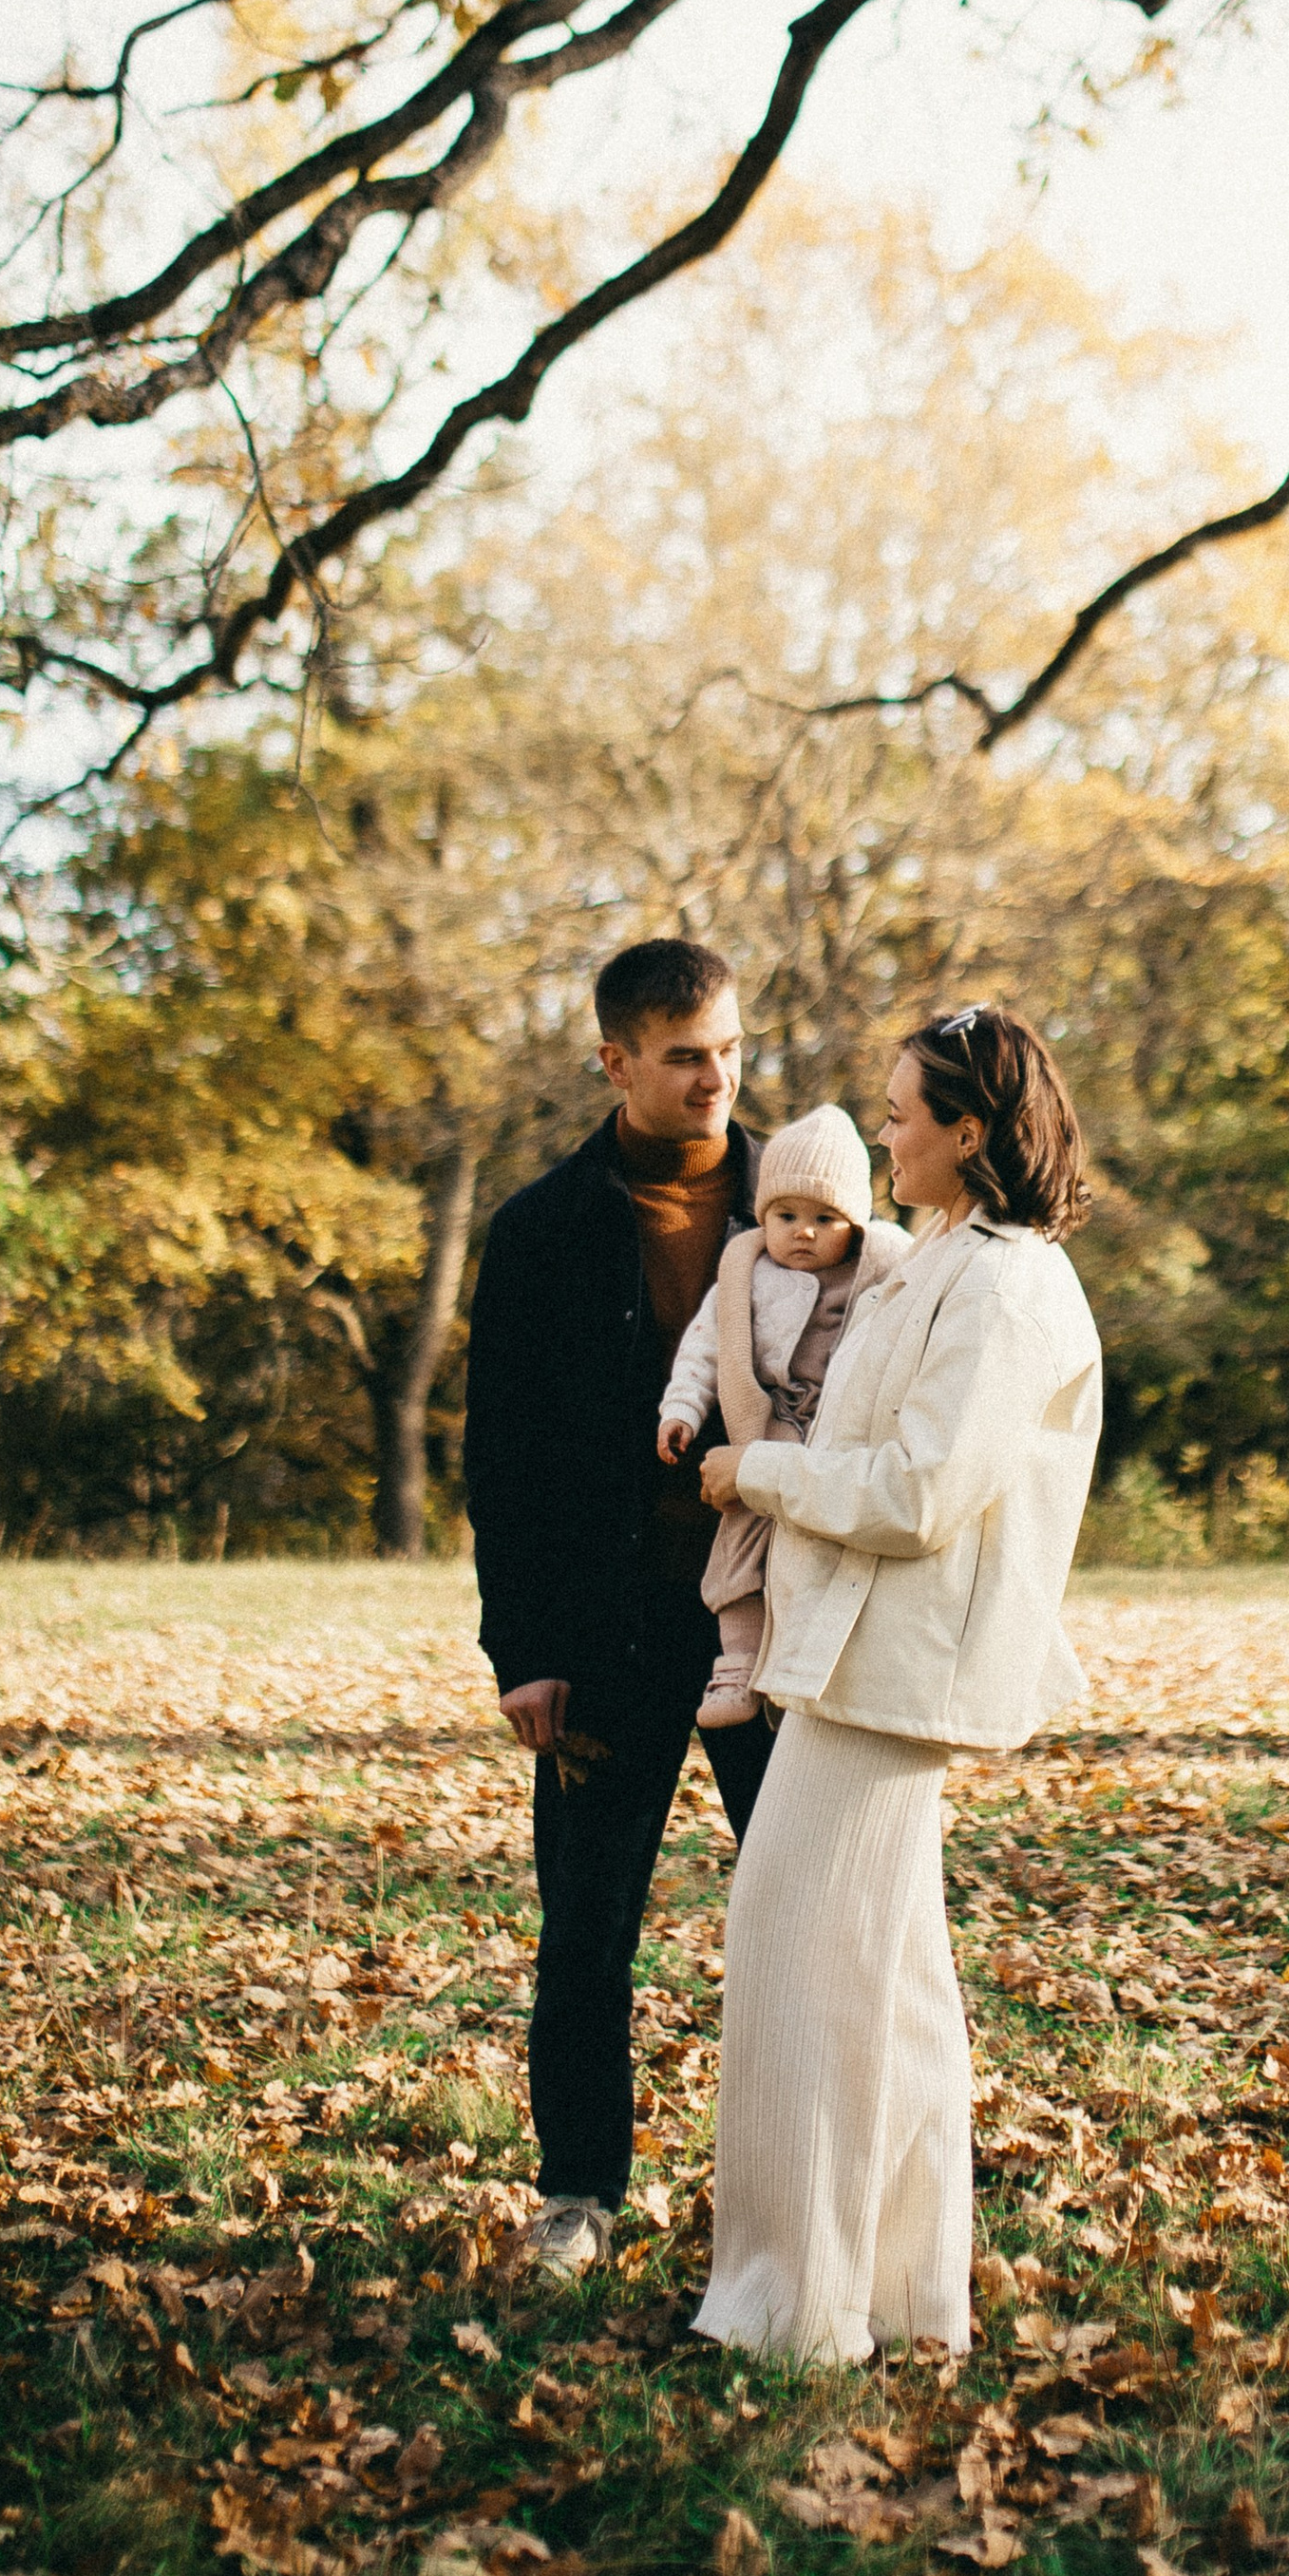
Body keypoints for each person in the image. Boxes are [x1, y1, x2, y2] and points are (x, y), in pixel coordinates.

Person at [691, 1003, 1102, 2364]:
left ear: (970, 1132)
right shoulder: (935, 1261)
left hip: (899, 1676)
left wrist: (761, 1474)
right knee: (891, 1985)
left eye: (904, 1111)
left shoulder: (1008, 1286)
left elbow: (923, 1493)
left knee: (800, 1963)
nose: (883, 1128)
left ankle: (792, 2310)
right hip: (851, 1660)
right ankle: (911, 2293)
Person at [463, 935, 772, 2282]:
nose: (717, 1079)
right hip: (608, 1633)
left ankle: (800, 2184)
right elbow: (502, 1460)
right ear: (616, 1061)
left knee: (807, 1912)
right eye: (686, 1056)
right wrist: (522, 1652)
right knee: (588, 1926)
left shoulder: (812, 1211)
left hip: (777, 1624)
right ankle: (580, 2189)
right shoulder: (540, 1232)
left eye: (731, 1051)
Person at [656, 1103, 913, 1728]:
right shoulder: (746, 1276)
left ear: (855, 1224)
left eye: (825, 1218)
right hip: (764, 1429)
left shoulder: (877, 1276)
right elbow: (704, 1350)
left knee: (815, 1556)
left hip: (834, 1439)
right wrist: (682, 1409)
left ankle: (799, 1667)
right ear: (762, 1216)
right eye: (786, 1215)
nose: (803, 1232)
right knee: (740, 1545)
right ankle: (738, 1665)